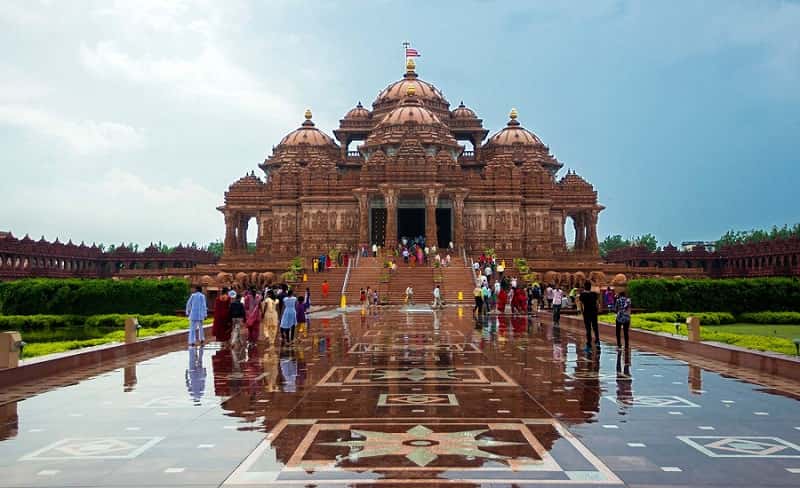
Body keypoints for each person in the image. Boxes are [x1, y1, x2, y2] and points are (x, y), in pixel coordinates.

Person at [579, 281, 601, 351]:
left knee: (588, 329)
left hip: (587, 313)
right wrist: (597, 310)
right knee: (595, 328)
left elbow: (581, 304)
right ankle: (597, 341)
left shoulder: (582, 295)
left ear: (584, 286)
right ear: (590, 287)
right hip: (594, 312)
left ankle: (589, 344)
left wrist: (582, 313)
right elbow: (597, 303)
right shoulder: (594, 294)